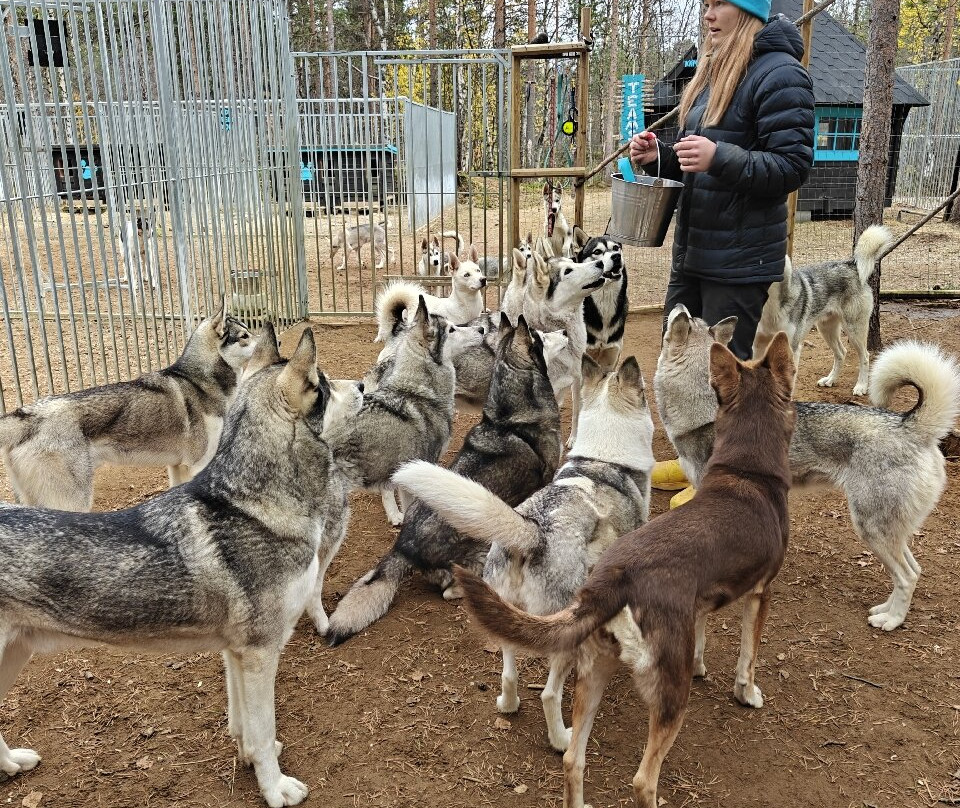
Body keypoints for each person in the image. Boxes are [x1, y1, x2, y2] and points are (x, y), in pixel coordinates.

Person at [631, 0, 814, 504]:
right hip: (696, 248)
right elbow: (706, 161)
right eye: (705, 5)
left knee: (723, 375)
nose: (708, 15)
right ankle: (695, 462)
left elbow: (793, 165)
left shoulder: (780, 74)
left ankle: (719, 481)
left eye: (720, 4)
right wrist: (660, 157)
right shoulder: (715, 70)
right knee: (683, 366)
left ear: (748, 10)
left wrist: (720, 157)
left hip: (740, 257)